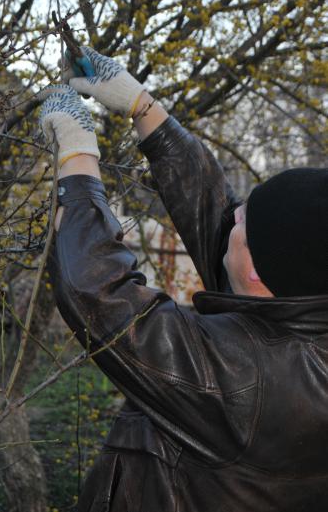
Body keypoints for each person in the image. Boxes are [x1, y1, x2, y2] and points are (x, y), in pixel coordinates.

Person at [41, 47, 328, 512]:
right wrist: (143, 107)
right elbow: (217, 218)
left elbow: (102, 295)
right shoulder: (299, 318)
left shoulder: (247, 382)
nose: (233, 212)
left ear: (258, 270)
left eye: (244, 222)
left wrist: (77, 160)